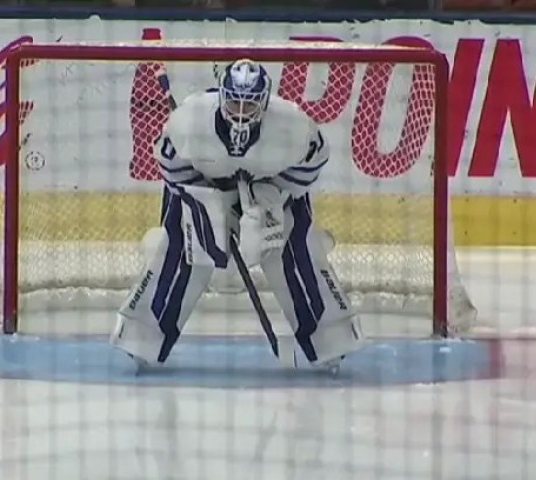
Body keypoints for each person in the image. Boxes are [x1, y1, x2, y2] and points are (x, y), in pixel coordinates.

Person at [110, 59, 363, 371]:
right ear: (222, 96)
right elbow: (170, 167)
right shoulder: (189, 120)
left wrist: (270, 197)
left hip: (271, 187)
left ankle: (332, 338)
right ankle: (142, 337)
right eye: (234, 102)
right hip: (205, 187)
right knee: (183, 247)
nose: (241, 112)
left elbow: (313, 163)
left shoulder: (293, 125)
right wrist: (206, 202)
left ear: (265, 102)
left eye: (250, 104)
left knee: (294, 247)